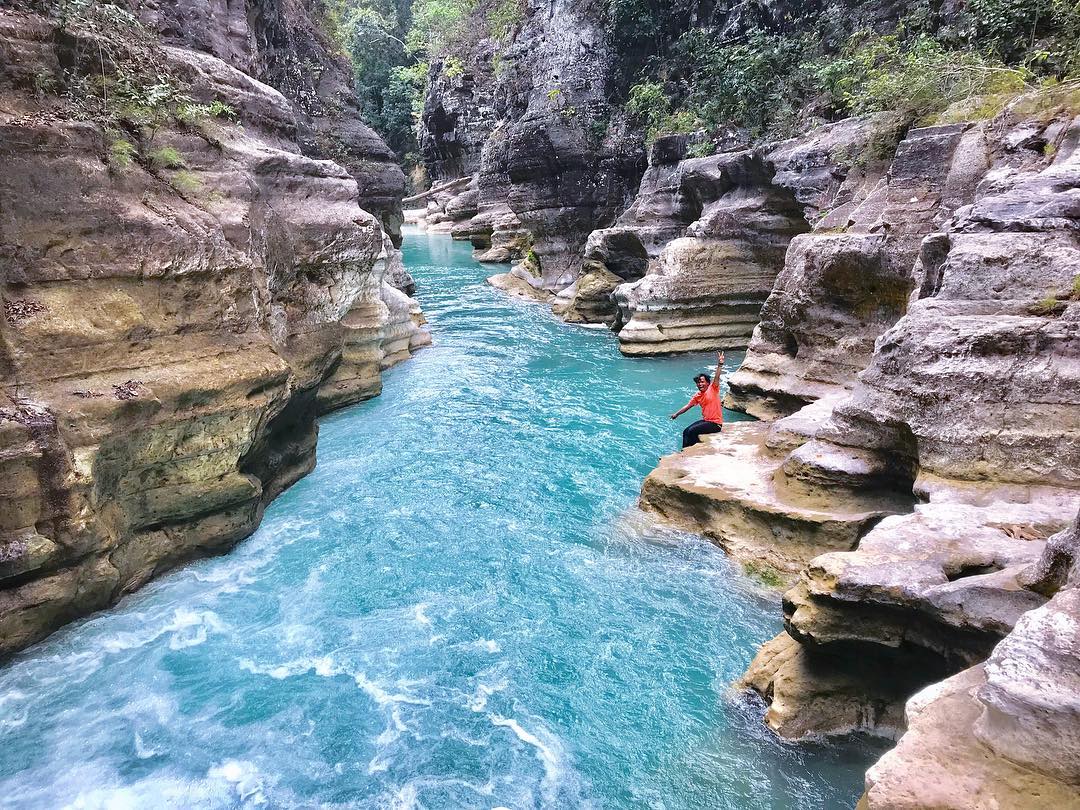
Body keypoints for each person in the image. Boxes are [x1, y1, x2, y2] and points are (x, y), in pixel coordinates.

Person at [670, 351, 725, 449]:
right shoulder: (698, 395)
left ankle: (685, 452)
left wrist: (720, 364)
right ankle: (687, 450)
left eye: (702, 382)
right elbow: (687, 406)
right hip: (706, 421)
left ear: (708, 383)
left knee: (691, 430)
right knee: (686, 431)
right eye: (698, 383)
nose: (700, 384)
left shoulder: (713, 388)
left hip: (715, 424)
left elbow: (717, 377)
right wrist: (676, 414)